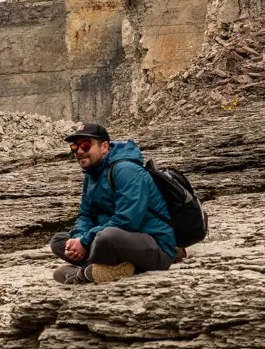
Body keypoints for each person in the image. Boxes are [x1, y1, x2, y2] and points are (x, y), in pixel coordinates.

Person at [50, 121, 179, 285]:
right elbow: (86, 215)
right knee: (59, 242)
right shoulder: (91, 175)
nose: (80, 152)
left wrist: (85, 242)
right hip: (111, 241)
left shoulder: (126, 171)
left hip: (154, 246)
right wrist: (78, 239)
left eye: (86, 145)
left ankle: (85, 273)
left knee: (106, 238)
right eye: (75, 148)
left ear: (104, 147)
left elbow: (128, 220)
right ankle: (108, 269)